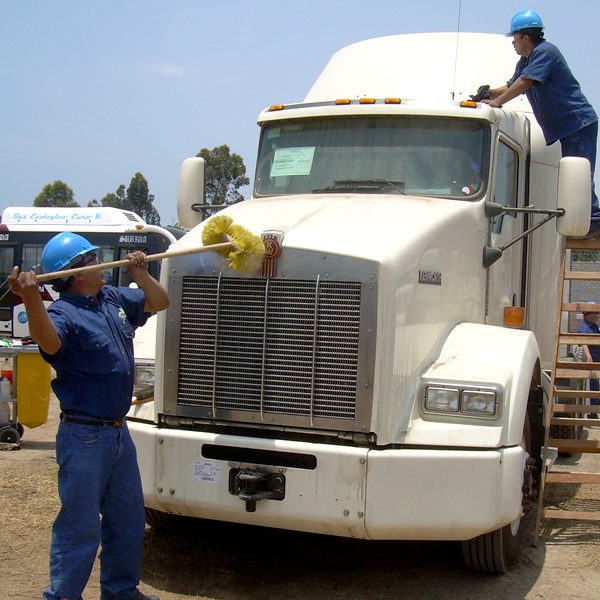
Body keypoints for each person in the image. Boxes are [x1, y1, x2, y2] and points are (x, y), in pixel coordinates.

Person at [8, 231, 169, 600]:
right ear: (79, 273)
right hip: (84, 437)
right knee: (80, 527)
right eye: (93, 257)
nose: (102, 261)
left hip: (117, 433)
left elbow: (160, 302)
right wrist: (32, 299)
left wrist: (143, 274)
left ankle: (120, 592)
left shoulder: (111, 298)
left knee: (127, 520)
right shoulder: (64, 313)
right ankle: (63, 596)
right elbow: (49, 343)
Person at [481, 9, 600, 235]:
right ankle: (591, 219)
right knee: (575, 173)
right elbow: (513, 84)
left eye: (514, 38)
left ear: (526, 37)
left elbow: (525, 83)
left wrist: (497, 103)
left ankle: (593, 220)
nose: (513, 43)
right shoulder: (526, 60)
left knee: (580, 173)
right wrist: (488, 92)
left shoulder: (545, 53)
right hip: (567, 126)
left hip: (577, 122)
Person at [576, 304, 600, 418]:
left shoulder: (594, 326)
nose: (597, 316)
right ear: (586, 314)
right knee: (591, 386)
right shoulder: (584, 326)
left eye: (597, 314)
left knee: (595, 385)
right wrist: (588, 355)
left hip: (597, 360)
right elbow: (583, 341)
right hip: (591, 361)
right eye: (594, 314)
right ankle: (592, 412)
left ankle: (594, 410)